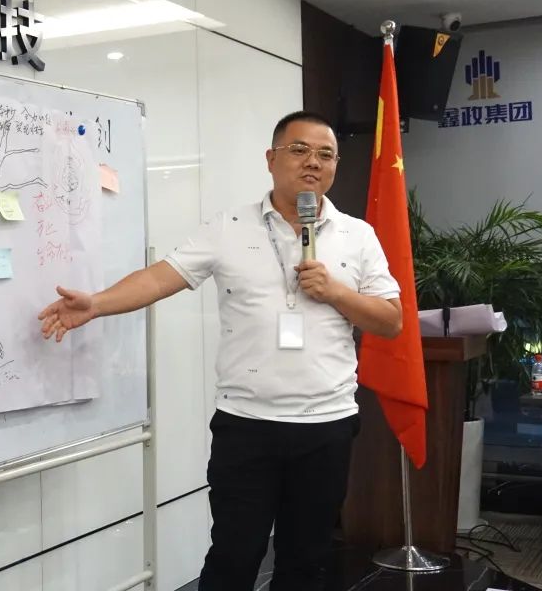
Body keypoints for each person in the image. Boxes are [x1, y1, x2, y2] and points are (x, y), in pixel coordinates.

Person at [38, 111, 404, 591]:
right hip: (246, 425)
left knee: (307, 560)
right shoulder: (228, 227)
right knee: (233, 555)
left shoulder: (358, 235)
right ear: (271, 159)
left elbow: (391, 320)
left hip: (326, 426)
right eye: (299, 150)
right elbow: (160, 277)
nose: (313, 162)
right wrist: (97, 304)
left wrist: (336, 292)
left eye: (325, 154)